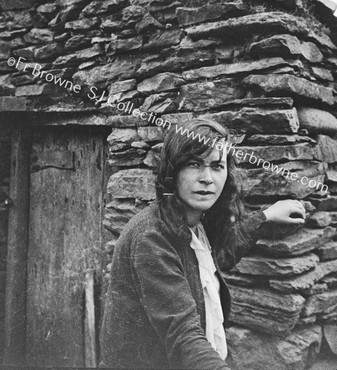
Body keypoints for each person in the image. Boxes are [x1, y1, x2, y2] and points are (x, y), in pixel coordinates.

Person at [99, 118, 306, 369]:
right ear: (173, 171)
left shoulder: (195, 223)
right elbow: (184, 335)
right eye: (194, 164)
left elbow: (221, 254)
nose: (207, 178)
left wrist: (266, 216)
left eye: (217, 166)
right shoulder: (152, 237)